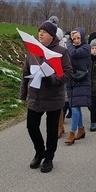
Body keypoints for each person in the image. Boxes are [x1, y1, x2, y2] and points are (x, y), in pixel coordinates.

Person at [19, 21, 73, 173]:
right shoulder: (33, 51)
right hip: (35, 97)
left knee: (51, 130)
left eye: (44, 31)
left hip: (53, 98)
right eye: (40, 31)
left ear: (52, 35)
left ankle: (49, 157)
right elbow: (25, 73)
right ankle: (40, 151)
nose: (41, 34)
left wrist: (52, 79)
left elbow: (68, 73)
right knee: (31, 126)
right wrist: (23, 95)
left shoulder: (61, 52)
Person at [64, 28, 91, 144]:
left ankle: (72, 132)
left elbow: (73, 54)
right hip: (71, 80)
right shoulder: (71, 48)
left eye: (78, 38)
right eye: (74, 38)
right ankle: (81, 129)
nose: (76, 40)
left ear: (83, 37)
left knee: (74, 107)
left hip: (82, 80)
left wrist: (68, 41)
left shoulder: (86, 48)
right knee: (76, 106)